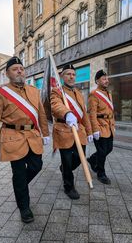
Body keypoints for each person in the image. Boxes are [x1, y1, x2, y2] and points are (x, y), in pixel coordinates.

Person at [0, 56, 50, 223]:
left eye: (21, 68)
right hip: (12, 138)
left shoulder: (34, 91)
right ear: (7, 73)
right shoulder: (1, 92)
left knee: (37, 166)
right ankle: (24, 207)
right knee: (19, 172)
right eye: (15, 69)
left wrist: (45, 133)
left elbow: (41, 114)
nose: (19, 71)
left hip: (33, 136)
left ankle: (19, 186)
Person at [50, 64, 93, 200]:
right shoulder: (57, 91)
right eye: (68, 74)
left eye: (73, 74)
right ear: (62, 76)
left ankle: (64, 169)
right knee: (68, 161)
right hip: (64, 131)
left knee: (80, 158)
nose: (71, 76)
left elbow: (84, 114)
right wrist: (67, 113)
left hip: (79, 131)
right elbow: (55, 105)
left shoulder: (79, 93)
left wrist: (90, 131)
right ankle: (69, 187)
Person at [87, 70, 115, 185]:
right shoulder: (94, 94)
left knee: (109, 148)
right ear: (97, 81)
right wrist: (95, 129)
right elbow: (91, 113)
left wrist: (114, 124)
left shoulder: (109, 94)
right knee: (102, 151)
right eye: (104, 79)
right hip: (100, 126)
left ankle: (93, 159)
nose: (106, 81)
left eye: (107, 78)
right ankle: (101, 173)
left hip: (109, 126)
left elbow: (111, 111)